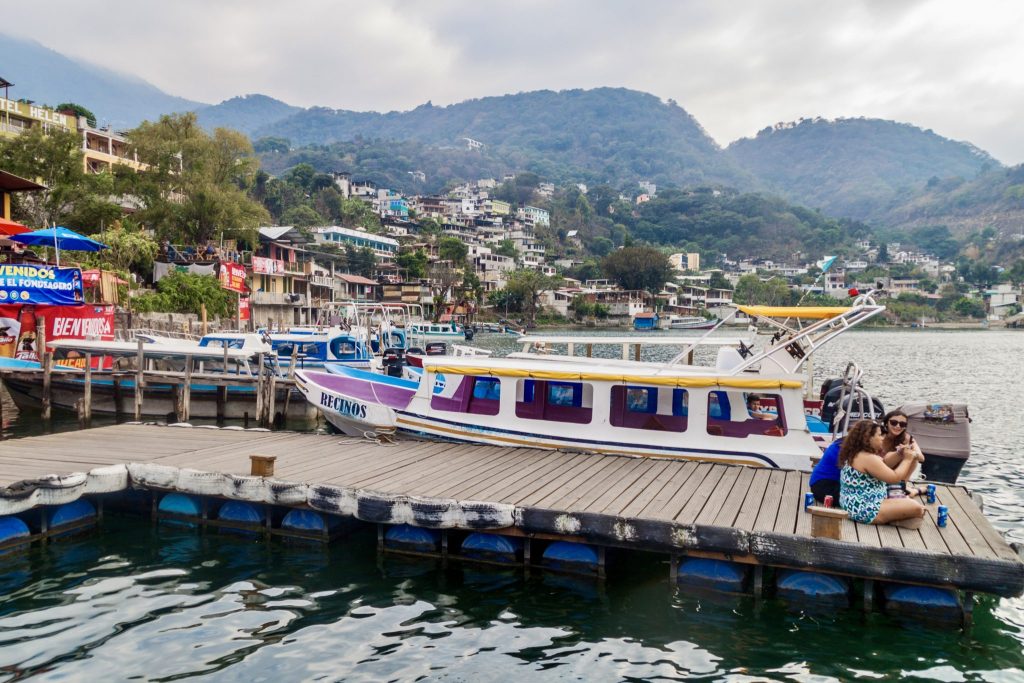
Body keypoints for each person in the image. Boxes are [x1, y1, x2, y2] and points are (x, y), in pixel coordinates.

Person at [839, 420, 926, 528]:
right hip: (864, 508)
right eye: (880, 435)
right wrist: (907, 459)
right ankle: (894, 520)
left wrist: (899, 453)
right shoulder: (867, 457)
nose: (883, 438)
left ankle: (898, 516)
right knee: (917, 508)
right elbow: (894, 478)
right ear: (868, 438)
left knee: (904, 498)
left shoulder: (859, 453)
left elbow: (884, 464)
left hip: (856, 502)